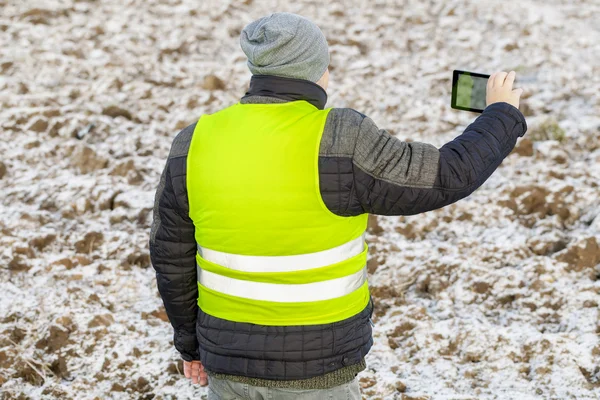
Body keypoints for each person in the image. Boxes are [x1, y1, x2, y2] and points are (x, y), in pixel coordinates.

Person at [149, 12, 527, 400]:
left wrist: (191, 346)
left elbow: (170, 256)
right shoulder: (341, 138)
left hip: (227, 368)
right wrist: (501, 113)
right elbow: (446, 175)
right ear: (318, 69)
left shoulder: (194, 141)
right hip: (320, 370)